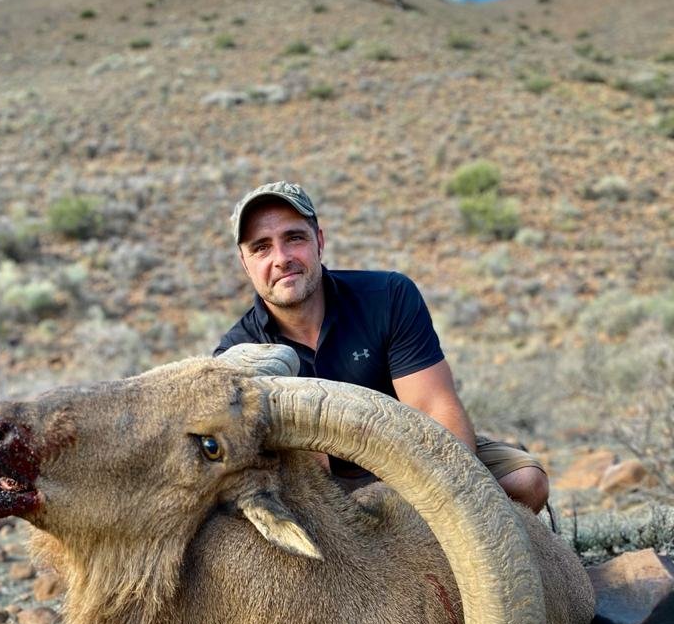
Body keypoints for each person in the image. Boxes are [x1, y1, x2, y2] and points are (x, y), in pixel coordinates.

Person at [214, 181, 549, 514]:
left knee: (525, 482)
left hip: (411, 456)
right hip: (318, 491)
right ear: (245, 263)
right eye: (261, 247)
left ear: (319, 241)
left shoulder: (387, 295)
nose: (282, 258)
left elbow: (437, 412)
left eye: (294, 238)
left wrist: (425, 501)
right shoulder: (235, 354)